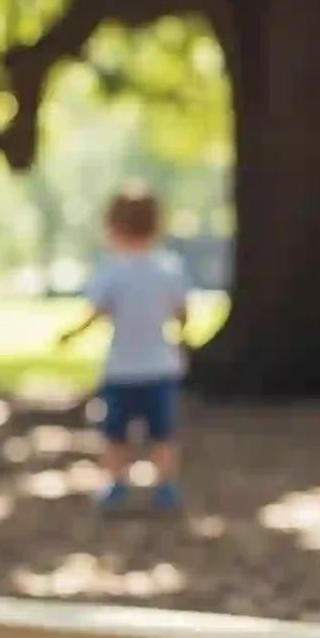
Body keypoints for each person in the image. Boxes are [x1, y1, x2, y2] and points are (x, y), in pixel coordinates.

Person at [58, 184, 192, 512]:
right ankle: (166, 486)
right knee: (163, 434)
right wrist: (182, 338)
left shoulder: (112, 272)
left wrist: (72, 335)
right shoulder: (168, 268)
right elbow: (181, 312)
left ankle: (117, 483)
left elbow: (97, 312)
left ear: (114, 227)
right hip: (161, 366)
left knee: (116, 434)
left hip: (121, 369)